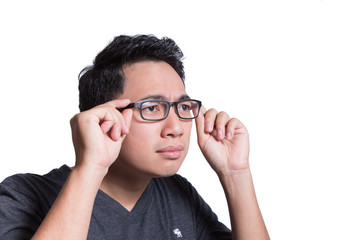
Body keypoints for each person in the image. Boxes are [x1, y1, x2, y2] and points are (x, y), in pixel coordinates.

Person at [0, 34, 269, 239]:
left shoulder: (179, 194)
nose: (175, 127)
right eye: (152, 108)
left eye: (183, 107)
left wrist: (236, 175)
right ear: (104, 116)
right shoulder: (22, 195)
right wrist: (90, 168)